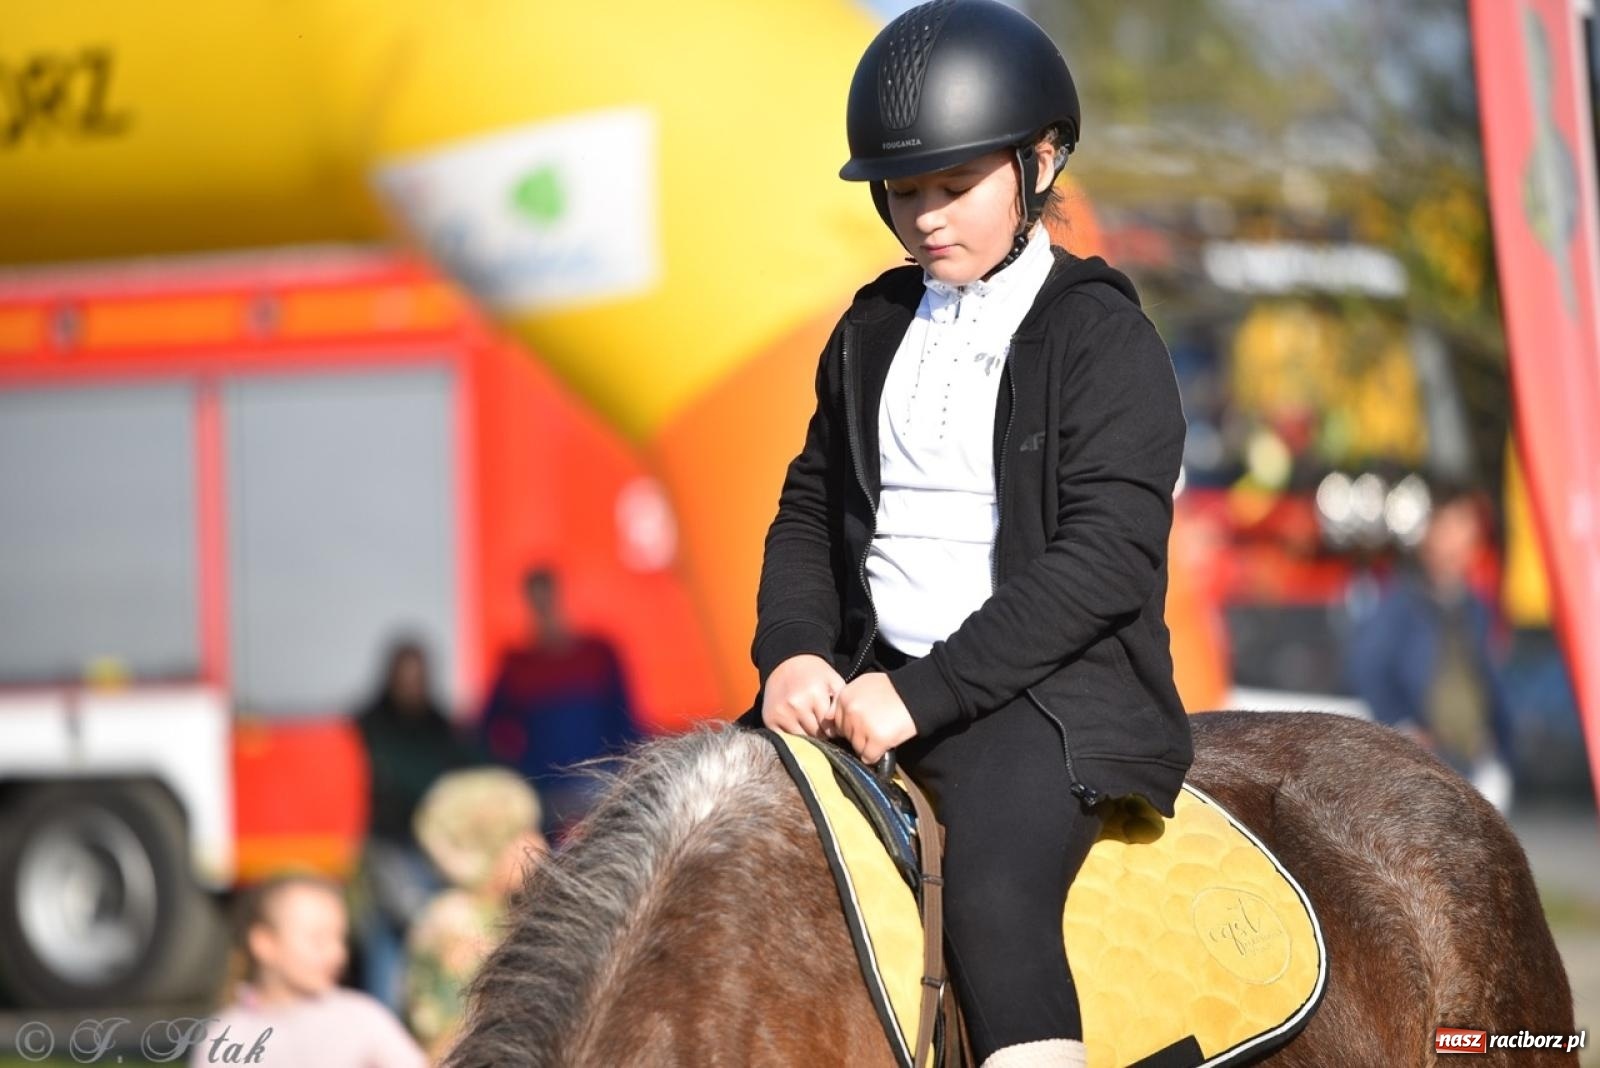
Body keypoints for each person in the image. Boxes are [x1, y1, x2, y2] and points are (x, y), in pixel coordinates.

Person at [736, 4, 1192, 1066]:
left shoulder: (1103, 336)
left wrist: (925, 693)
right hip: (863, 679)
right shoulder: (871, 326)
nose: (926, 218)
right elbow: (811, 507)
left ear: (1039, 164)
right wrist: (793, 649)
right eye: (904, 193)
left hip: (1042, 699)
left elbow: (1106, 559)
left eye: (954, 188)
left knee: (991, 891)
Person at [1348, 483, 1515, 810]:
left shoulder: (1476, 607)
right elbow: (1366, 667)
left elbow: (1488, 680)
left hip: (1476, 762)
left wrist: (1498, 740)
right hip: (1426, 764)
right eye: (1450, 526)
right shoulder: (1399, 603)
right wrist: (1405, 726)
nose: (1460, 539)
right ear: (1427, 532)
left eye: (1468, 527)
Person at [352, 637, 480, 1011]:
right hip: (389, 850)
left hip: (431, 854)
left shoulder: (440, 726)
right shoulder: (371, 725)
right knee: (388, 951)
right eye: (405, 676)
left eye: (419, 677)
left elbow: (474, 763)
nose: (412, 685)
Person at [192, 873, 428, 1068]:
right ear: (264, 943)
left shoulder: (360, 1018)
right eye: (318, 940)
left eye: (340, 939)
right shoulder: (228, 1035)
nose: (337, 954)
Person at [478, 568, 643, 837]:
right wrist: (520, 770)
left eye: (548, 598)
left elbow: (625, 719)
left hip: (601, 781)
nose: (544, 608)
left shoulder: (598, 654)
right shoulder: (518, 667)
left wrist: (628, 771)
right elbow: (488, 728)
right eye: (537, 600)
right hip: (547, 790)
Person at [404, 767, 548, 1061]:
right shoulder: (457, 924)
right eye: (519, 836)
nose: (538, 846)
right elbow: (451, 1034)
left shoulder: (502, 911)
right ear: (484, 847)